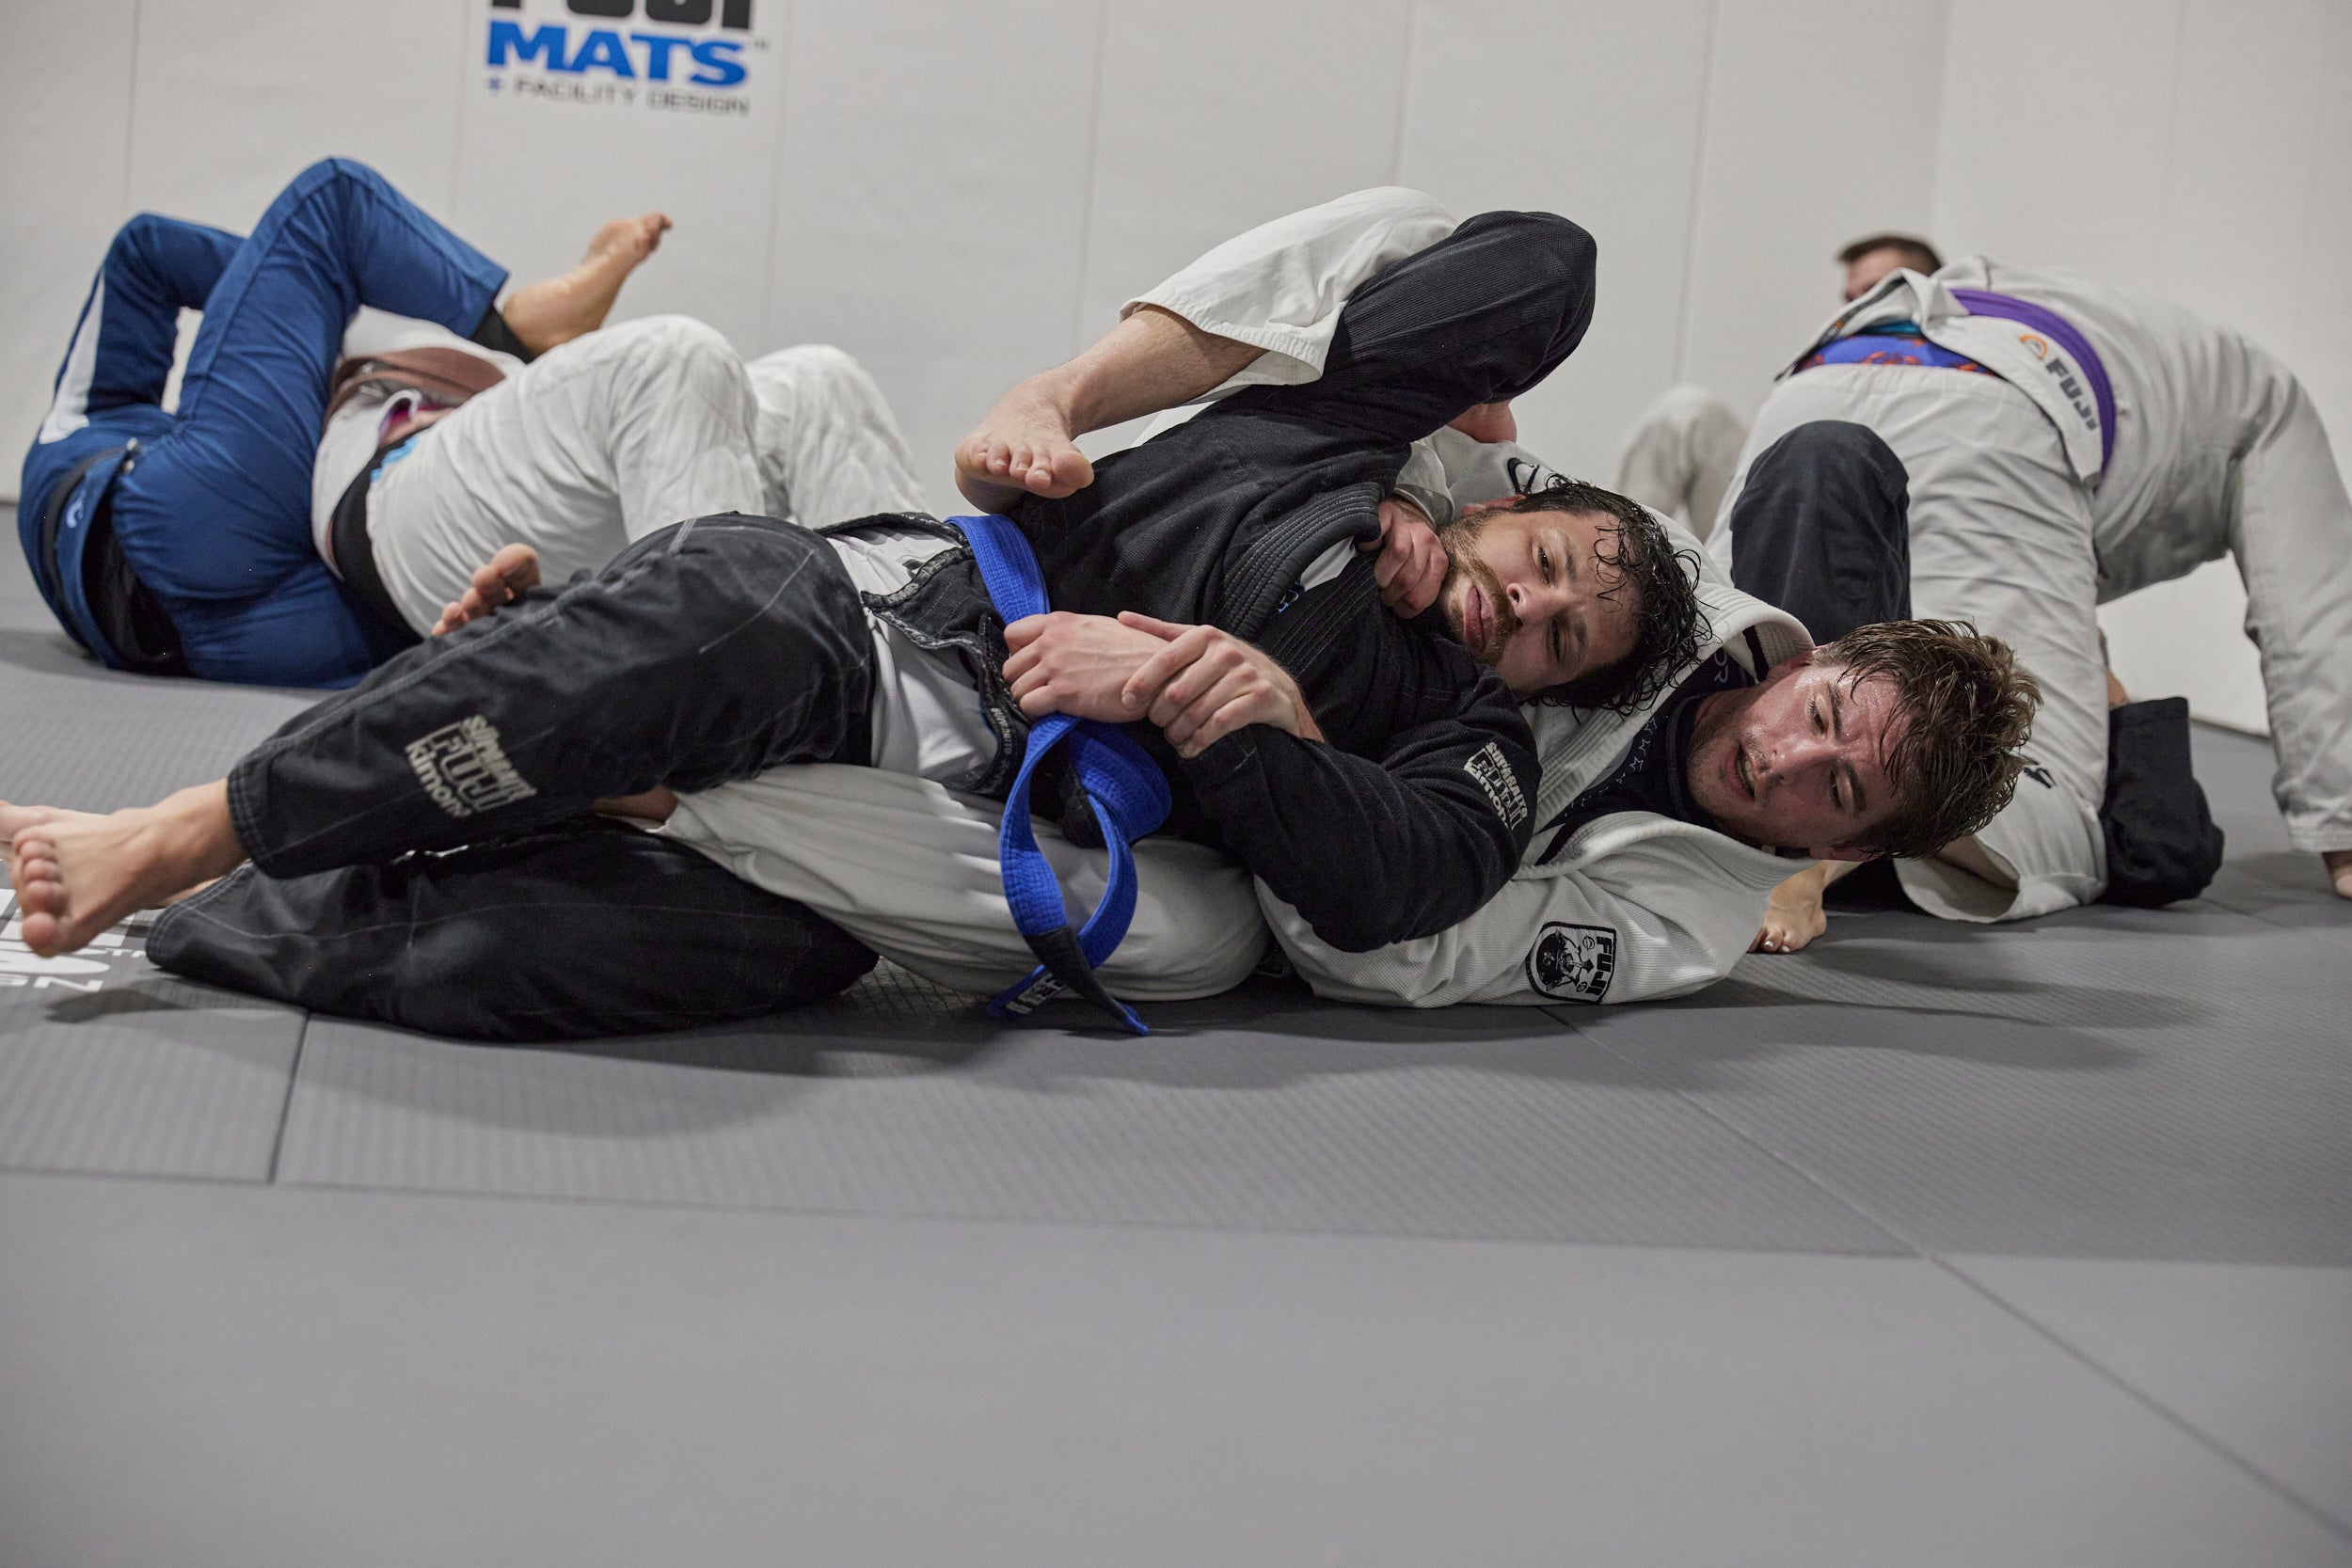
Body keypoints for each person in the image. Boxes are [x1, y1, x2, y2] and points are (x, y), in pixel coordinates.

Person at [2, 204, 1619, 1037]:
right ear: (1500, 488)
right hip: (897, 627)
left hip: (947, 823)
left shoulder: (1459, 727)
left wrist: (1236, 712)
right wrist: (1443, 385)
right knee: (723, 621)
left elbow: (1399, 878)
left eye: (1562, 639)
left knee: (557, 955)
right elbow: (1546, 262)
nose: (1529, 606)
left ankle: (219, 908)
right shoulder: (1328, 437)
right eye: (1547, 559)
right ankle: (194, 829)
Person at [23, 157, 924, 687]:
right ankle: (521, 328)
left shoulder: (175, 423)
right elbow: (145, 251)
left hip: (264, 627)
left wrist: (304, 305)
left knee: (820, 384)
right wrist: (349, 312)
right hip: (184, 533)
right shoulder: (108, 431)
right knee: (328, 200)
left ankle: (921, 681)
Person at [1711, 252, 2352, 948]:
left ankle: (1786, 832)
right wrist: (2343, 825)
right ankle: (1796, 862)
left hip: (1822, 376)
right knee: (2049, 810)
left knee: (1710, 660)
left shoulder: (2159, 375)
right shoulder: (2260, 397)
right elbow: (2313, 612)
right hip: (2001, 414)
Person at [1611, 232, 1946, 537]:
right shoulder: (1825, 367)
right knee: (1687, 412)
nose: (1857, 308)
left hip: (1886, 541)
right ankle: (1606, 556)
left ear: (1927, 294)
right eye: (1850, 298)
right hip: (1788, 526)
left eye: (1875, 291)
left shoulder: (1958, 379)